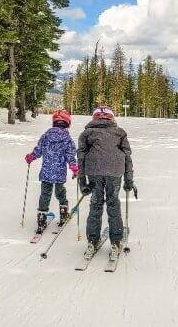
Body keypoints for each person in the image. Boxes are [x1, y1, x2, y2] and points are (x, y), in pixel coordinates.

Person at [77, 106, 134, 258]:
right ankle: (115, 242)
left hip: (94, 172)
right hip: (115, 172)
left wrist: (82, 182)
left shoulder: (87, 133)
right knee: (113, 204)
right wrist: (129, 179)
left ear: (95, 118)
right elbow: (127, 156)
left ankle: (92, 241)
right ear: (111, 118)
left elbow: (81, 158)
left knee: (96, 204)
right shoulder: (119, 132)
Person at [25, 110, 79, 233]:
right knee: (60, 192)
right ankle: (64, 213)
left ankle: (41, 220)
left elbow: (38, 150)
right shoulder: (67, 139)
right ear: (67, 123)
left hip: (46, 173)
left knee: (45, 195)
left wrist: (31, 157)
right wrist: (74, 168)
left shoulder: (46, 136)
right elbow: (71, 155)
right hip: (59, 173)